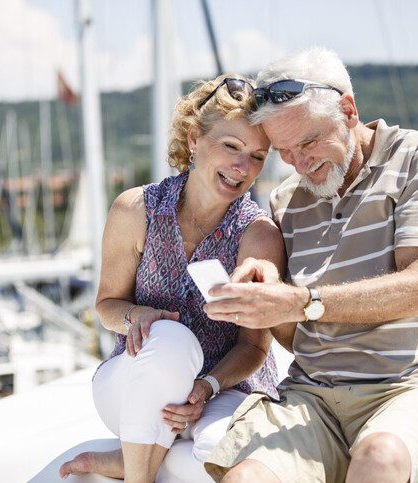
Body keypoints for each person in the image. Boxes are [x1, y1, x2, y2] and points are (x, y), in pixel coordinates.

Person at [202, 47, 418, 483]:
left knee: (381, 456)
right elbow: (297, 336)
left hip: (414, 387)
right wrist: (265, 301)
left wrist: (303, 301)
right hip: (314, 396)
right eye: (285, 151)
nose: (299, 162)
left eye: (308, 142)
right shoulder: (286, 202)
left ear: (348, 110)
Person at [59, 74, 284, 482]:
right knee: (170, 338)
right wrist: (135, 316)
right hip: (135, 383)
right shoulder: (135, 210)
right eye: (231, 146)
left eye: (257, 156)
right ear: (193, 138)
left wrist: (207, 387)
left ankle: (125, 463)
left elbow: (255, 347)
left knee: (221, 456)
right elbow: (107, 306)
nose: (242, 167)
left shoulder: (259, 235)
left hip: (222, 389)